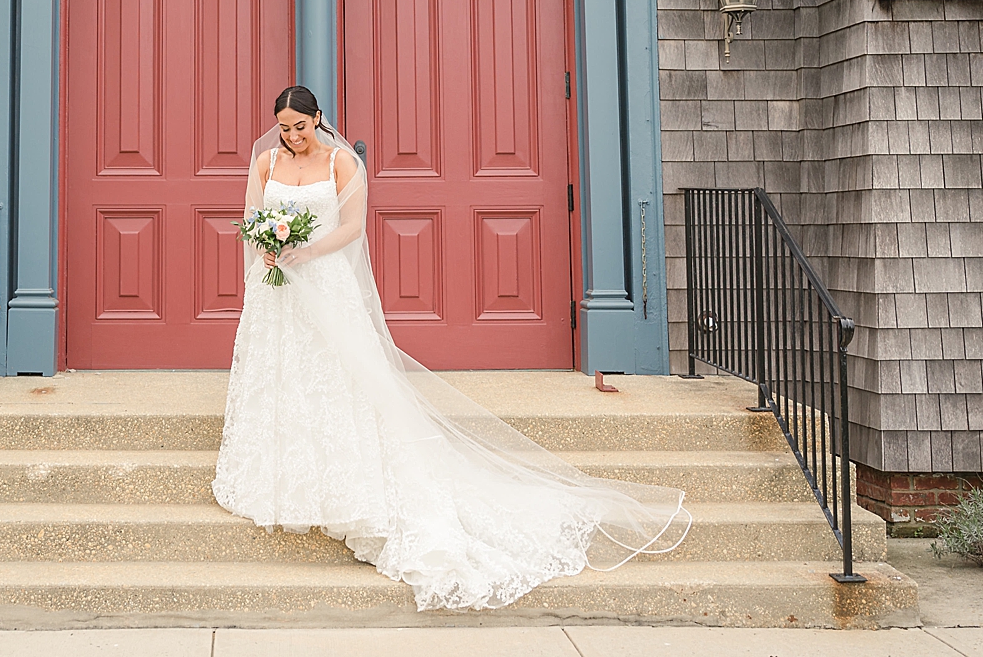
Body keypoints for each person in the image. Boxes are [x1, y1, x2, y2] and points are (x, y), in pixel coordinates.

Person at [213, 85, 690, 610]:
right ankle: (280, 474)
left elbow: (352, 227)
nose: (292, 136)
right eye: (283, 128)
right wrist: (271, 252)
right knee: (282, 376)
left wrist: (306, 251)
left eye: (299, 127)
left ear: (318, 118)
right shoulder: (264, 162)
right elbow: (252, 220)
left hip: (324, 280)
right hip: (277, 290)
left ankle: (349, 480)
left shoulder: (341, 163)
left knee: (339, 379)